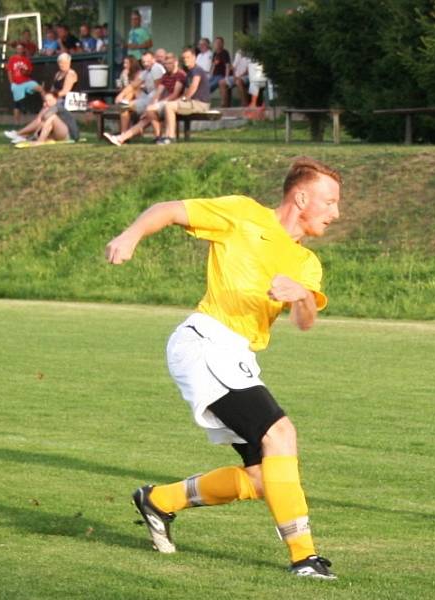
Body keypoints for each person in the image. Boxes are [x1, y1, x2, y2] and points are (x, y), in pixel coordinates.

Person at [104, 156, 342, 580]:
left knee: (262, 477)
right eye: (330, 201)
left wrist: (301, 294)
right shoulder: (244, 213)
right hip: (205, 341)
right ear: (300, 196)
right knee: (280, 434)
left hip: (238, 355)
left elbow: (305, 322)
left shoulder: (307, 264)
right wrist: (131, 235)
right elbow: (171, 210)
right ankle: (305, 558)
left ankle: (159, 500)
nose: (336, 212)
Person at [104, 52, 186, 146]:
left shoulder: (165, 71)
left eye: (170, 63)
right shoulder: (164, 75)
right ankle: (121, 138)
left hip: (170, 103)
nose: (145, 63)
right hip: (159, 102)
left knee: (145, 113)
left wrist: (152, 106)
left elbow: (171, 94)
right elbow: (158, 91)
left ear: (176, 63)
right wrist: (152, 104)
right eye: (166, 64)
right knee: (144, 116)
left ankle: (156, 137)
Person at [158, 47, 210, 144]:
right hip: (191, 102)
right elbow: (186, 90)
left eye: (188, 57)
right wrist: (180, 100)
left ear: (194, 57)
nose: (186, 60)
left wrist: (184, 99)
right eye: (184, 58)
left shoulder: (197, 70)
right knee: (168, 105)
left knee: (169, 106)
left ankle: (171, 137)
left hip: (200, 103)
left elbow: (194, 86)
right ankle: (166, 135)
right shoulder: (189, 73)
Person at [3, 92, 79, 146]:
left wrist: (44, 109)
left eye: (50, 100)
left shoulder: (58, 106)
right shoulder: (51, 107)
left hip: (69, 135)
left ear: (56, 100)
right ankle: (23, 136)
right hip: (57, 134)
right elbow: (40, 120)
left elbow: (45, 117)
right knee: (43, 121)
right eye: (46, 101)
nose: (47, 102)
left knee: (52, 117)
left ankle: (35, 140)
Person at [6, 42, 42, 124]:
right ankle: (16, 123)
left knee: (40, 89)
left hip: (26, 82)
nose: (19, 50)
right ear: (16, 50)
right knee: (17, 103)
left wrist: (25, 72)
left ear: (23, 50)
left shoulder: (26, 60)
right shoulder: (12, 59)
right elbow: (9, 72)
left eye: (21, 48)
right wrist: (12, 83)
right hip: (16, 83)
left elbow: (29, 72)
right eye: (18, 48)